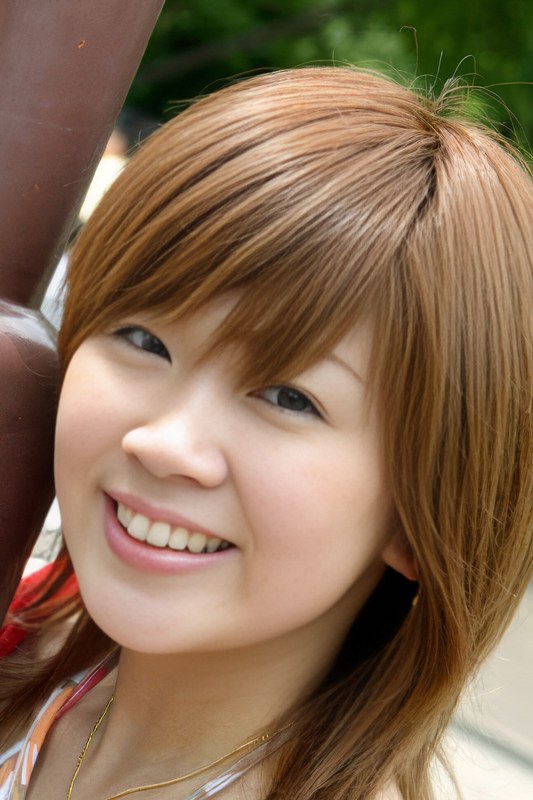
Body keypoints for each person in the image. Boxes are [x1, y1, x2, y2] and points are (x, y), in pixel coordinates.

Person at [0, 66, 532, 800]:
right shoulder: (21, 646)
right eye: (144, 339)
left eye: (288, 397)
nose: (166, 443)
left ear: (421, 516)